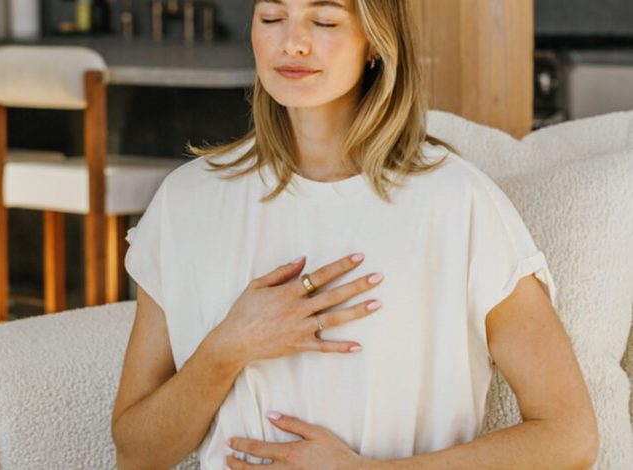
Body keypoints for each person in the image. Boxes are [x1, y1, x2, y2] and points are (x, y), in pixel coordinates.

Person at [111, 0, 599, 468]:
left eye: (324, 21)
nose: (292, 43)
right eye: (272, 16)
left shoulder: (457, 202)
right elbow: (137, 454)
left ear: (376, 41)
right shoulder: (187, 202)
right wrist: (229, 346)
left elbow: (570, 436)